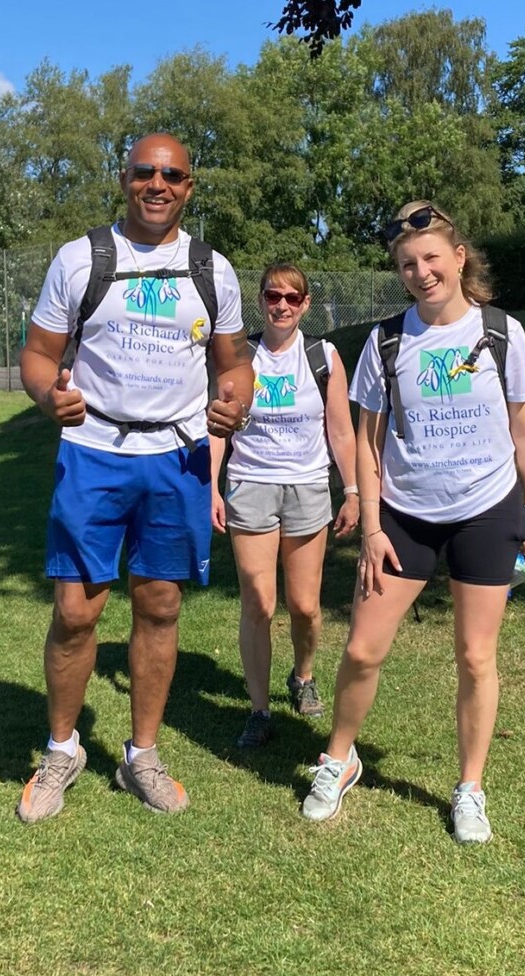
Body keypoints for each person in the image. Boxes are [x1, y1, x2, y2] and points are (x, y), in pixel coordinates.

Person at [17, 133, 254, 823]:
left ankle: (141, 754)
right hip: (93, 451)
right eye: (145, 171)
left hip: (177, 457)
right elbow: (37, 354)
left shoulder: (213, 270)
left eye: (172, 175)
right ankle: (62, 749)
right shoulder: (82, 258)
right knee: (76, 610)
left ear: (189, 186)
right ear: (124, 178)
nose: (158, 183)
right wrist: (45, 396)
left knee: (159, 607)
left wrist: (234, 400)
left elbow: (234, 364)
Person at [301, 201, 525, 843]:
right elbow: (368, 443)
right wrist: (374, 528)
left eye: (432, 257)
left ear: (459, 257)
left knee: (475, 655)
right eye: (408, 264)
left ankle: (470, 788)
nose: (421, 271)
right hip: (405, 518)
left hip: (488, 512)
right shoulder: (386, 340)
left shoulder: (500, 332)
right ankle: (339, 759)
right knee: (361, 647)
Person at [210, 264, 359, 749]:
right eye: (274, 296)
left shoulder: (323, 356)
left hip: (308, 488)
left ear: (306, 305)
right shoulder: (239, 357)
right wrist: (211, 486)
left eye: (293, 299)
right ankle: (258, 709)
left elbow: (340, 431)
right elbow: (218, 425)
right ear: (261, 300)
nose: (282, 306)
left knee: (305, 606)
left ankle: (303, 675)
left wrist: (353, 491)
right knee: (258, 605)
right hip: (250, 485)